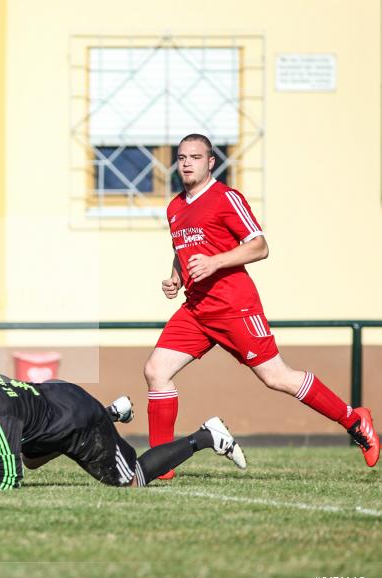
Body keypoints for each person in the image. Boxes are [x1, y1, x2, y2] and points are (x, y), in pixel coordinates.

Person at [143, 133, 378, 479]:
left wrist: (215, 262)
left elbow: (259, 246)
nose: (187, 163)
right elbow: (184, 250)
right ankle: (161, 464)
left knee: (277, 377)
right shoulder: (175, 207)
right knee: (156, 371)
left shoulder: (226, 198)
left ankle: (355, 420)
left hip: (234, 306)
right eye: (181, 157)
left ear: (211, 162)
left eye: (195, 157)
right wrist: (175, 276)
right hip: (196, 309)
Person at [0, 345, 246, 492]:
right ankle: (112, 412)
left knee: (129, 482)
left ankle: (206, 435)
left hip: (77, 422)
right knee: (30, 457)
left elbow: (7, 481)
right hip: (56, 398)